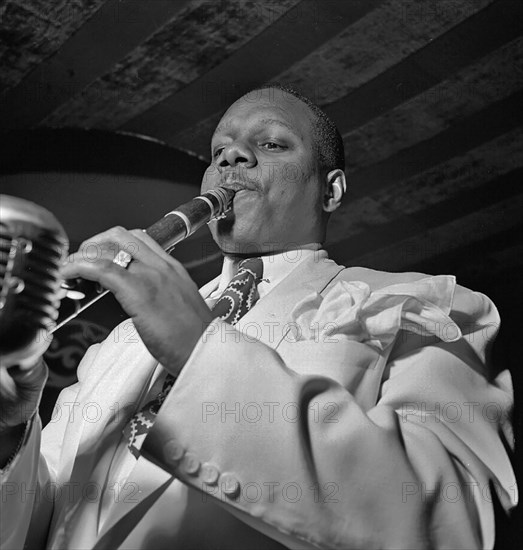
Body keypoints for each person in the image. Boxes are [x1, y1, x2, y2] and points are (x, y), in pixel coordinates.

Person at [0, 85, 517, 549]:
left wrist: (197, 348)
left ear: (331, 189)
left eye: (270, 144)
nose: (232, 158)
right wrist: (12, 427)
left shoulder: (427, 304)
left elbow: (454, 522)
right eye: (217, 151)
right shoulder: (122, 340)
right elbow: (44, 522)